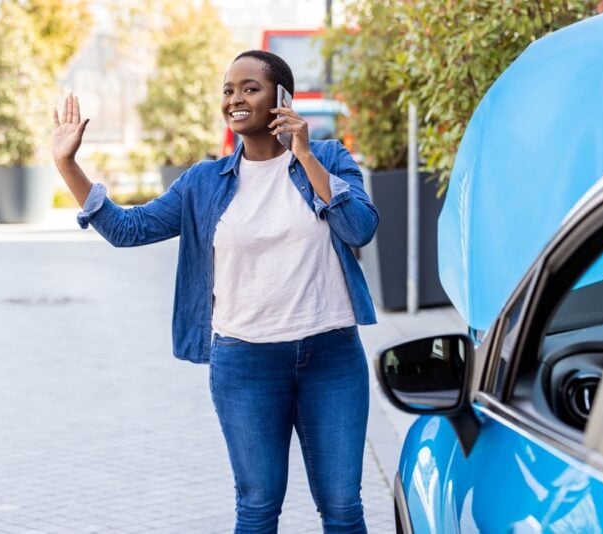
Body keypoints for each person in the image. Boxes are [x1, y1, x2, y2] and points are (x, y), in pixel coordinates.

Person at [52, 50, 378, 533]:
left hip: (331, 356)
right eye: (228, 90)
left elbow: (360, 229)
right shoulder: (204, 182)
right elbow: (127, 229)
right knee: (258, 506)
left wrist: (304, 155)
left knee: (342, 507)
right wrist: (67, 165)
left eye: (250, 88)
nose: (236, 99)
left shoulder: (328, 158)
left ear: (281, 98)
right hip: (246, 364)